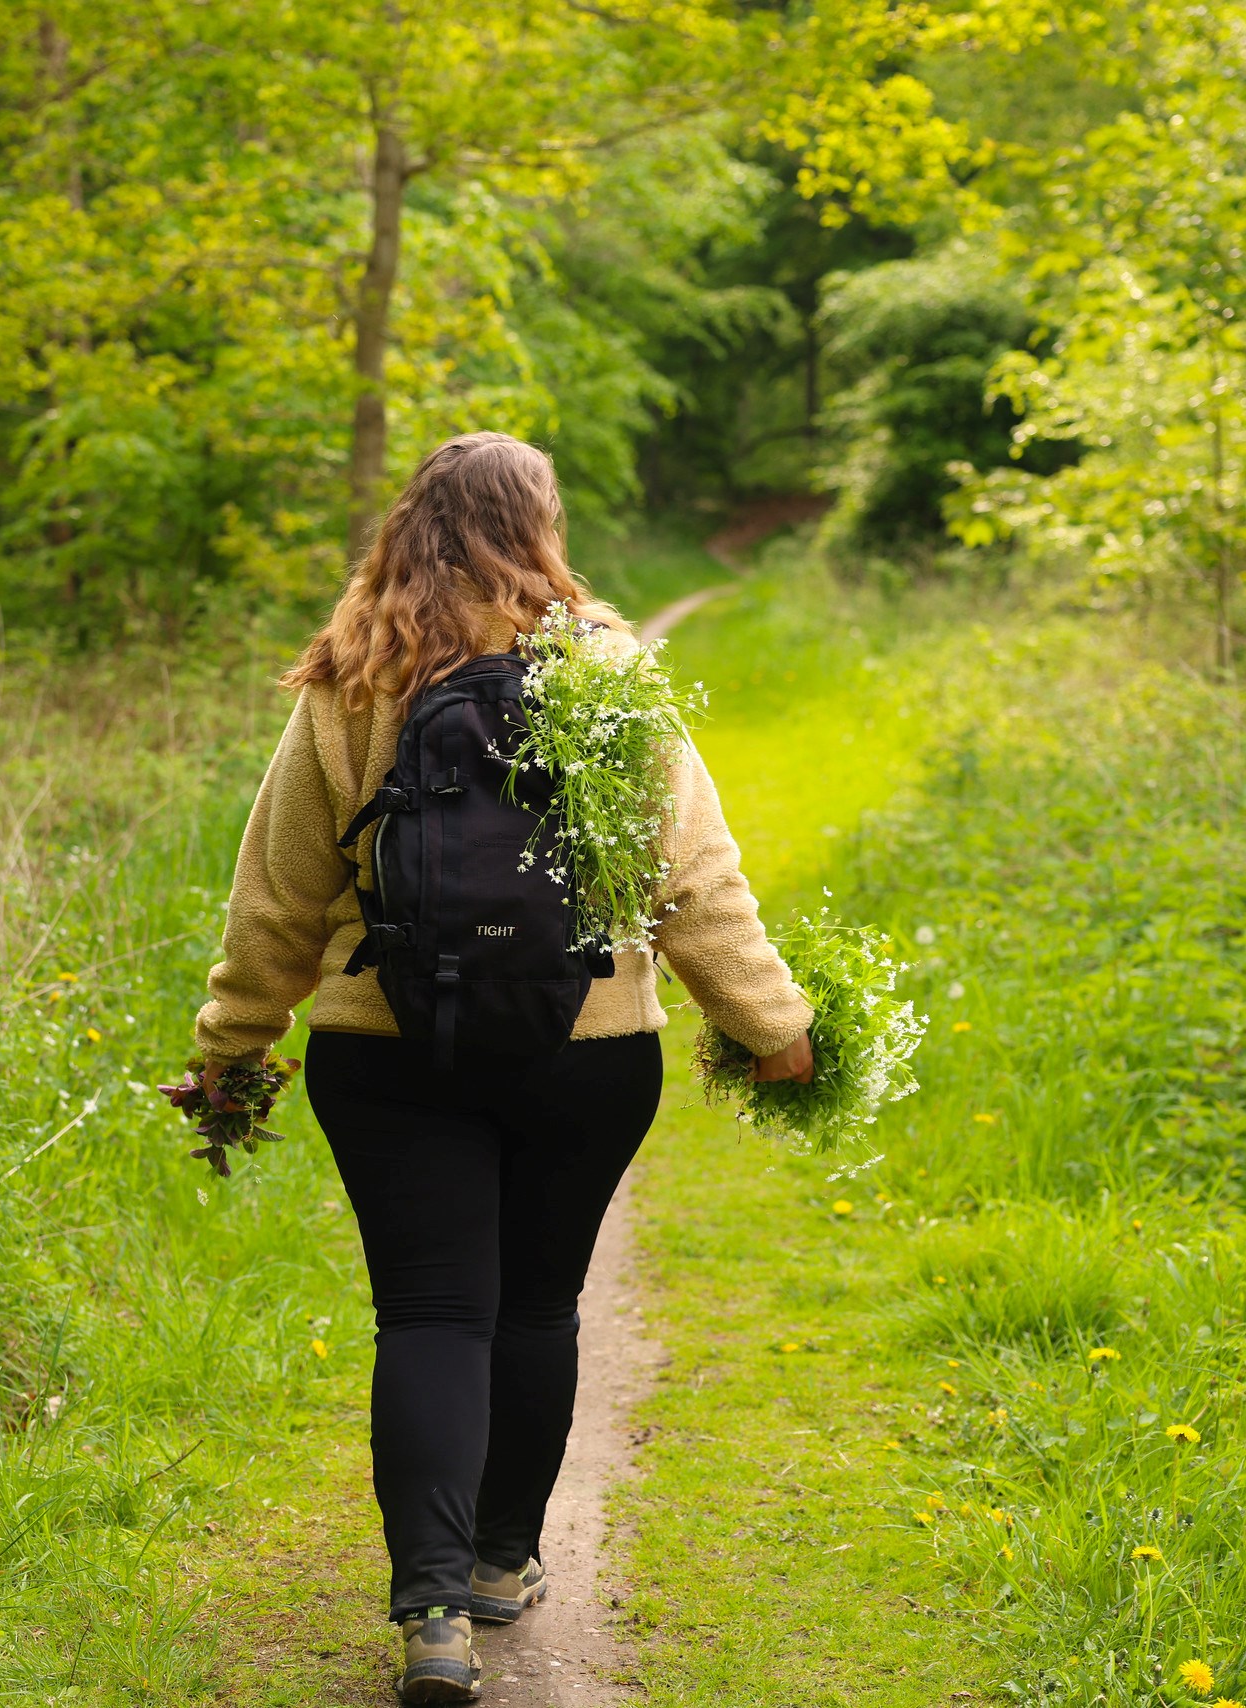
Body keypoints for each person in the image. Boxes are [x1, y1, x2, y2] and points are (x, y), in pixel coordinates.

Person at [194, 431, 813, 1704]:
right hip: (581, 1047)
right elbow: (692, 878)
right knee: (533, 1306)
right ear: (541, 527)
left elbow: (278, 898)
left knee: (427, 1312)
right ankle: (497, 1561)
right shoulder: (603, 672)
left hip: (384, 1045)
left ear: (408, 524)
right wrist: (770, 1026)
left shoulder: (352, 677)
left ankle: (427, 1610)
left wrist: (233, 1051)